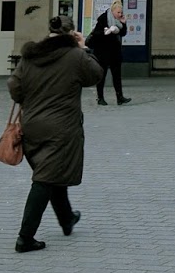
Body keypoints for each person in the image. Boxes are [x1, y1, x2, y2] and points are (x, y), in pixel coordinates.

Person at [6, 14, 103, 252]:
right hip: (61, 128)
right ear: (71, 34)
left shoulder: (30, 57)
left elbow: (14, 87)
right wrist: (84, 48)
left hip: (32, 127)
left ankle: (67, 217)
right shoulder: (75, 56)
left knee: (50, 172)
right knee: (45, 179)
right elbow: (96, 75)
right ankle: (25, 238)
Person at [89, 0, 132, 106]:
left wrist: (124, 24)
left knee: (117, 75)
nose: (120, 14)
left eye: (121, 12)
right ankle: (100, 98)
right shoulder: (103, 18)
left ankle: (120, 97)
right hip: (102, 51)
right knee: (102, 75)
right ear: (112, 11)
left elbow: (123, 33)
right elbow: (96, 33)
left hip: (115, 51)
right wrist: (106, 31)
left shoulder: (119, 21)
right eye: (118, 12)